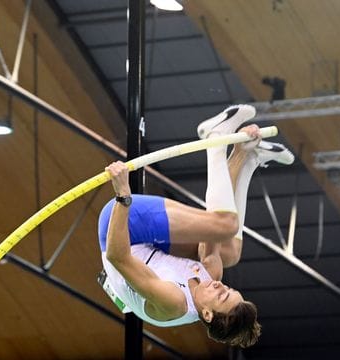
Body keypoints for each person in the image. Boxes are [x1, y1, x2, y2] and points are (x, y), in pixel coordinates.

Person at [98, 104, 294, 348]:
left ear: (208, 315)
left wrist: (123, 196)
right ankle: (246, 157)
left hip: (121, 230)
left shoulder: (174, 302)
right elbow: (212, 218)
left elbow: (118, 256)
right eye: (229, 289)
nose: (221, 285)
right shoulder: (211, 275)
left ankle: (215, 138)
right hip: (151, 245)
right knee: (229, 250)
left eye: (222, 295)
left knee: (224, 225)